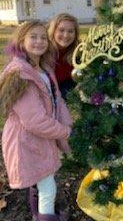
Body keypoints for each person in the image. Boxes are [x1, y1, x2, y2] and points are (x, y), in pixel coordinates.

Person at [0, 21, 72, 221]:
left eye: (43, 37)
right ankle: (45, 217)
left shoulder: (43, 68)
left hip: (39, 139)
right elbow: (35, 121)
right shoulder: (21, 74)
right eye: (33, 36)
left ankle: (36, 214)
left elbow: (57, 98)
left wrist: (67, 123)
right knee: (48, 187)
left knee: (40, 180)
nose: (39, 41)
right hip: (26, 140)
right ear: (21, 40)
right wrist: (65, 132)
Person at [48, 13, 79, 100]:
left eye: (70, 31)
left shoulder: (77, 53)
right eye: (61, 30)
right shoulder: (43, 52)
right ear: (53, 31)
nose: (66, 35)